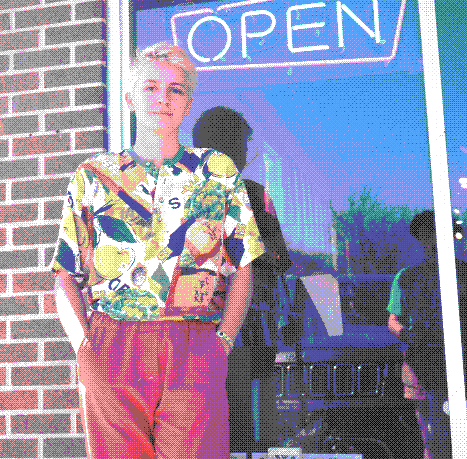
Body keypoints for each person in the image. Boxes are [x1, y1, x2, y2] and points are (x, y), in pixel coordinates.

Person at [50, 42, 266, 459]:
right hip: (113, 342)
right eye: (150, 88)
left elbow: (243, 266)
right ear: (131, 100)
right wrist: (84, 349)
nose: (163, 99)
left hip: (194, 341)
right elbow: (65, 276)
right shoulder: (94, 177)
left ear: (188, 104)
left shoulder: (216, 171)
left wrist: (222, 342)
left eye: (176, 90)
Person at [192, 106, 292, 457]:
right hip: (241, 316)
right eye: (242, 143)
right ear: (227, 144)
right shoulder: (249, 192)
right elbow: (276, 256)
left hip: (224, 316)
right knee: (243, 399)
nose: (247, 152)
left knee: (231, 402)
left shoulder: (185, 188)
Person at [387, 210, 467, 459]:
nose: (433, 238)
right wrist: (411, 336)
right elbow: (393, 321)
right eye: (427, 232)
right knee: (431, 440)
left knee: (466, 438)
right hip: (423, 367)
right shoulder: (407, 277)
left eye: (439, 231)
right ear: (419, 238)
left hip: (465, 366)